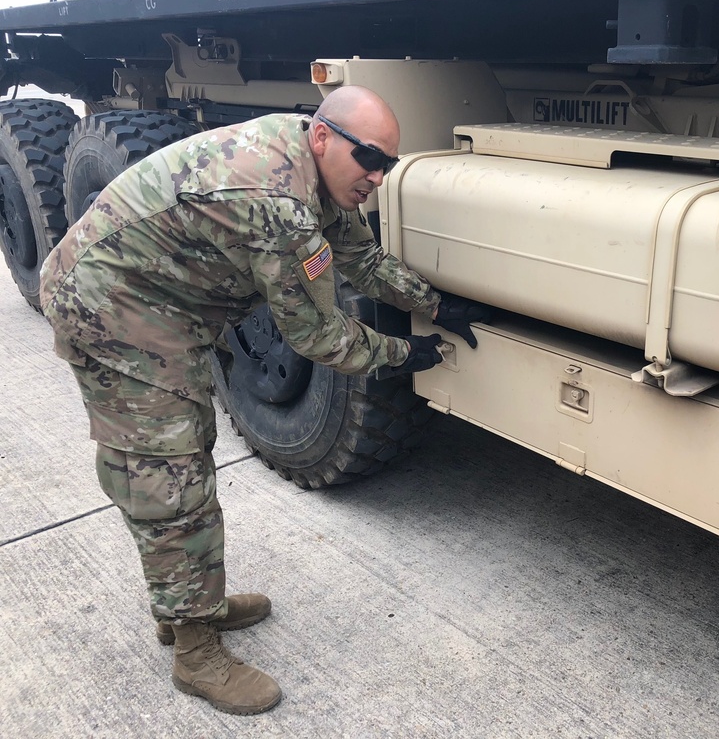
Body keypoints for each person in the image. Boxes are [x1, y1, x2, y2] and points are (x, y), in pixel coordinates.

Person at [39, 86, 486, 715]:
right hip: (113, 308)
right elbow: (318, 335)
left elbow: (360, 257)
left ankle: (189, 601)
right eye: (371, 160)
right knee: (169, 474)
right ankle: (194, 647)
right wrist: (401, 354)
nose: (379, 178)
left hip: (158, 301)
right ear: (326, 137)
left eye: (388, 163)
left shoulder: (315, 163)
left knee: (184, 457)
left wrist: (436, 304)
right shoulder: (280, 204)